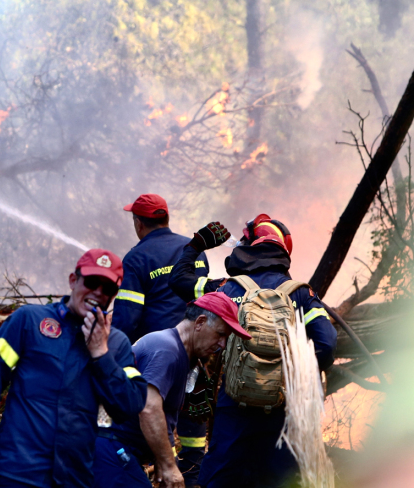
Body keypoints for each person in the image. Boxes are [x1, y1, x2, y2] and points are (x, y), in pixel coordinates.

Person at [169, 214, 338, 488]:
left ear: (249, 248)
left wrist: (195, 246)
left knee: (220, 480)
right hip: (285, 414)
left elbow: (179, 281)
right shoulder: (302, 295)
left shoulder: (227, 289)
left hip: (234, 410)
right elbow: (327, 346)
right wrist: (287, 378)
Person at [0, 249, 148, 488]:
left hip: (74, 479)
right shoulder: (28, 321)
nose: (98, 292)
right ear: (73, 280)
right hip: (16, 474)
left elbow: (129, 406)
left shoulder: (116, 343)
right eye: (91, 282)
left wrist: (101, 355)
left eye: (108, 288)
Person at [92, 292, 252, 488]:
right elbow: (149, 408)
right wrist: (168, 465)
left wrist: (164, 459)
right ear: (200, 322)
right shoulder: (167, 350)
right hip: (111, 447)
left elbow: (164, 417)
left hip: (119, 449)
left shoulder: (178, 352)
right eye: (220, 334)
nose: (222, 345)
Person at [114, 193, 211, 483]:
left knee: (152, 412)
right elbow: (207, 301)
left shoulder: (136, 258)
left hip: (155, 360)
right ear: (166, 218)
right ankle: (192, 471)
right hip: (195, 350)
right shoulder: (194, 251)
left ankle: (159, 469)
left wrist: (115, 354)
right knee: (192, 413)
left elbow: (126, 318)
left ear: (138, 223)